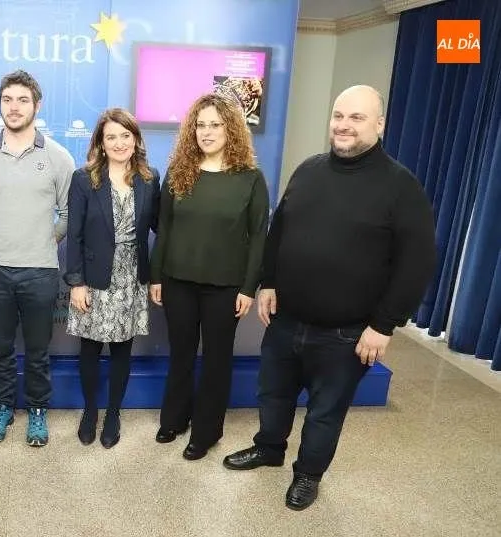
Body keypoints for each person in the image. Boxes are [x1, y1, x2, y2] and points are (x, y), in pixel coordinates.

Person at [222, 85, 436, 511]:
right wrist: (269, 282)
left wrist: (382, 325)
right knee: (274, 395)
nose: (343, 125)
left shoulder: (401, 187)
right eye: (339, 115)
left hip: (348, 333)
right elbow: (279, 230)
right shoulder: (308, 170)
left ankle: (308, 475)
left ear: (379, 124)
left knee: (325, 412)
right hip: (286, 321)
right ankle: (269, 448)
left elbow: (416, 264)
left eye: (357, 118)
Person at [150, 93, 269, 461]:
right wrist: (156, 277)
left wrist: (249, 287)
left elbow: (259, 237)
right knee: (181, 354)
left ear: (231, 128)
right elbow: (163, 228)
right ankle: (174, 419)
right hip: (177, 281)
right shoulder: (179, 172)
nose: (206, 131)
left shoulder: (250, 178)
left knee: (217, 360)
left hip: (226, 286)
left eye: (215, 124)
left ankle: (206, 432)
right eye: (200, 125)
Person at [0, 70, 75, 447]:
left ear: (37, 106)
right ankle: (2, 406)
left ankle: (38, 412)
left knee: (39, 351)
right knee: (1, 348)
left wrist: (43, 240)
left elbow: (69, 213)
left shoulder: (59, 157)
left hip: (41, 271)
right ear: (0, 105)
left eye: (22, 100)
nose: (14, 107)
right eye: (8, 99)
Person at [63, 108, 160, 448]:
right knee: (90, 350)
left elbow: (160, 229)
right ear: (101, 144)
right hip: (93, 277)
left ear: (135, 139)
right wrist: (76, 282)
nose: (119, 143)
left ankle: (114, 412)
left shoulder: (150, 179)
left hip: (132, 276)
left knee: (122, 350)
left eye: (125, 135)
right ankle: (90, 410)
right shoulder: (84, 178)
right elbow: (73, 236)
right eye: (111, 137)